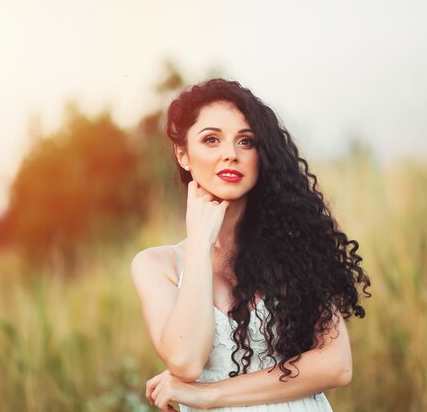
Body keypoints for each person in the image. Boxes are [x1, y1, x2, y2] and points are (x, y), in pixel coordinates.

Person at [130, 78, 371, 411]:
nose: (230, 154)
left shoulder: (294, 246)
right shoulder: (157, 265)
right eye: (211, 140)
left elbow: (336, 364)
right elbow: (186, 362)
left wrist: (209, 394)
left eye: (246, 141)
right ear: (183, 154)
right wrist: (200, 244)